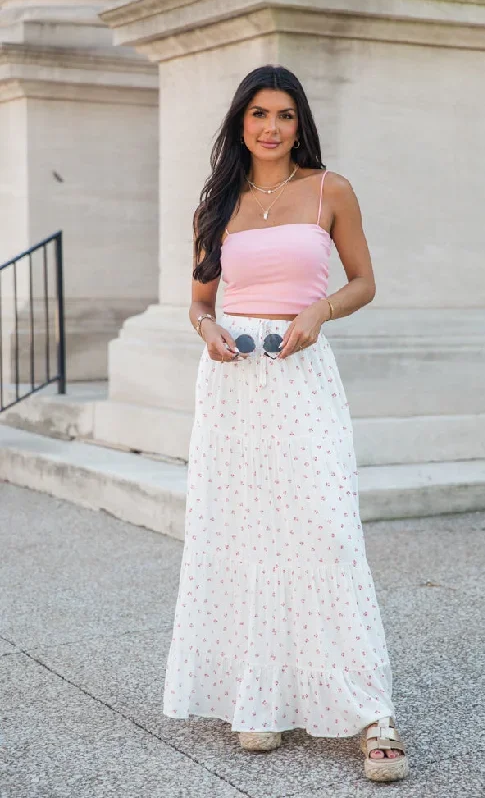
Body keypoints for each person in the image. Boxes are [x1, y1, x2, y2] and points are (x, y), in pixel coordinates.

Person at [163, 64, 408, 783]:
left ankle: (372, 713)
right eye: (258, 114)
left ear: (301, 123)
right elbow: (199, 299)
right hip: (233, 383)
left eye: (285, 115)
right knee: (241, 530)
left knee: (326, 532)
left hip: (301, 374)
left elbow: (363, 279)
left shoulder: (331, 190)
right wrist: (205, 328)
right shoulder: (219, 202)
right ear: (240, 122)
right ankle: (259, 697)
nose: (271, 127)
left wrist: (317, 310)